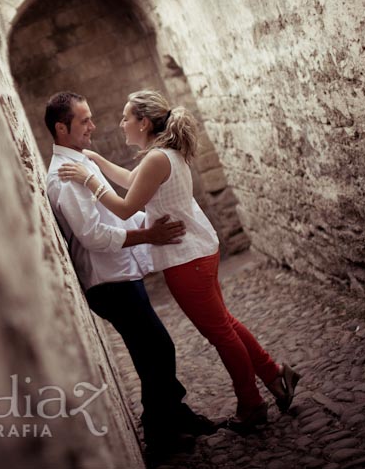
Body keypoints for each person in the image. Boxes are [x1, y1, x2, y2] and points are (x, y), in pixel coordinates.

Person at [58, 90, 301, 434]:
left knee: (221, 333)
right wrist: (96, 161)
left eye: (126, 117)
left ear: (143, 122)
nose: (121, 123)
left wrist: (89, 180)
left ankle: (252, 405)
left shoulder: (158, 158)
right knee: (225, 324)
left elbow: (126, 207)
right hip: (198, 251)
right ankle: (276, 376)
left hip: (188, 260)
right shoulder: (162, 155)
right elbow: (132, 181)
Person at [44, 92, 218, 459]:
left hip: (121, 273)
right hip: (108, 282)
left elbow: (116, 213)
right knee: (157, 349)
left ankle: (176, 415)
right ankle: (159, 436)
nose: (93, 125)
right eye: (84, 121)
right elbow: (95, 235)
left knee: (151, 351)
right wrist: (149, 235)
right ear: (61, 128)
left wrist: (155, 221)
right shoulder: (64, 177)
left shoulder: (80, 163)